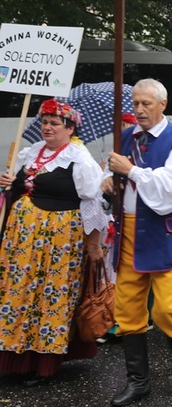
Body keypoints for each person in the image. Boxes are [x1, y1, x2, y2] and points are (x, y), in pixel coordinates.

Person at [103, 79, 172, 405]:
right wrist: (111, 182)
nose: (139, 109)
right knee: (128, 311)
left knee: (167, 309)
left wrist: (130, 171)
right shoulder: (126, 137)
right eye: (135, 103)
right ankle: (139, 382)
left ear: (162, 105)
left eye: (147, 103)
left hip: (167, 234)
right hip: (129, 231)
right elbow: (120, 180)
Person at [0, 100, 107, 386]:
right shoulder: (32, 152)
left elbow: (93, 204)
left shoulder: (79, 158)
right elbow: (23, 188)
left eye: (54, 123)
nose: (47, 127)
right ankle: (14, 357)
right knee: (18, 295)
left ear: (70, 128)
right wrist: (10, 183)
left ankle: (42, 362)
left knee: (50, 299)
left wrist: (94, 245)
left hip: (60, 242)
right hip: (23, 241)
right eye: (45, 122)